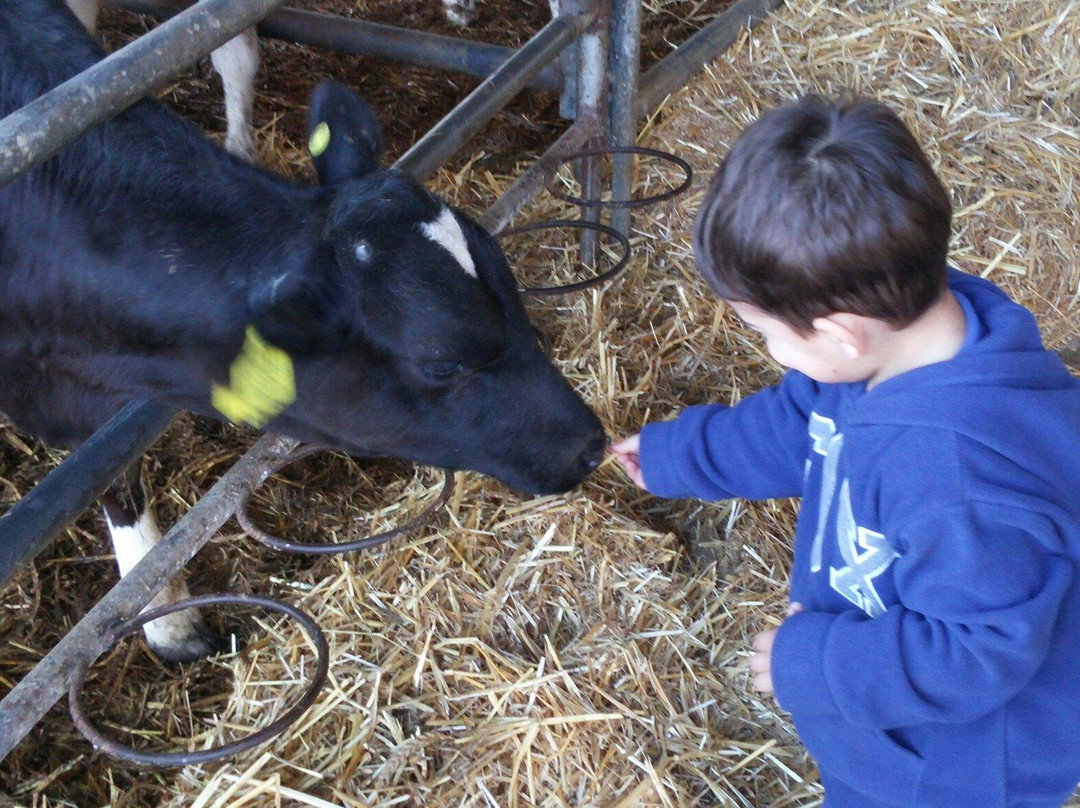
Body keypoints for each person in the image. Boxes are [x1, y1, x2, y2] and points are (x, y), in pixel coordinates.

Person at [611, 94, 1080, 808]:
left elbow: (975, 653)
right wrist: (683, 454)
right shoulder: (911, 332)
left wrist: (820, 663)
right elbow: (801, 423)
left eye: (765, 332)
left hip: (951, 766)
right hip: (902, 726)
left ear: (841, 334)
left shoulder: (960, 479)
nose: (771, 352)